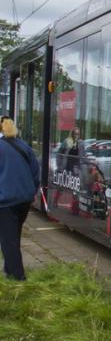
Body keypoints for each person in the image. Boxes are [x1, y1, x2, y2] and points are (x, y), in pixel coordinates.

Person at [0, 118, 40, 281]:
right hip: (24, 199)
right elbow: (35, 171)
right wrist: (32, 192)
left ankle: (18, 277)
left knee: (8, 240)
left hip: (6, 200)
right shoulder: (24, 145)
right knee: (13, 235)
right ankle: (9, 270)